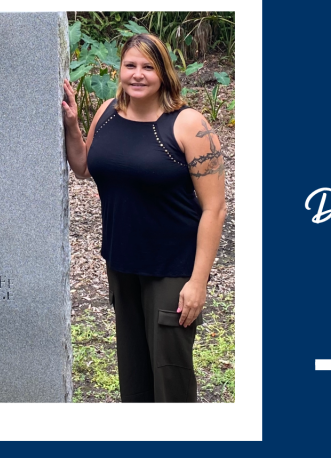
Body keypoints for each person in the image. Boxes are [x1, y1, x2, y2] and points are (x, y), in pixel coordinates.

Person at [62, 33, 228, 402]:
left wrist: (197, 282)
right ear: (120, 70)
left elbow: (215, 209)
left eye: (148, 67)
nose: (138, 75)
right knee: (134, 373)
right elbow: (84, 166)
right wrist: (72, 125)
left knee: (170, 376)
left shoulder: (188, 124)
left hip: (172, 269)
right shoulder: (107, 113)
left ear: (164, 73)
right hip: (122, 264)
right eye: (130, 66)